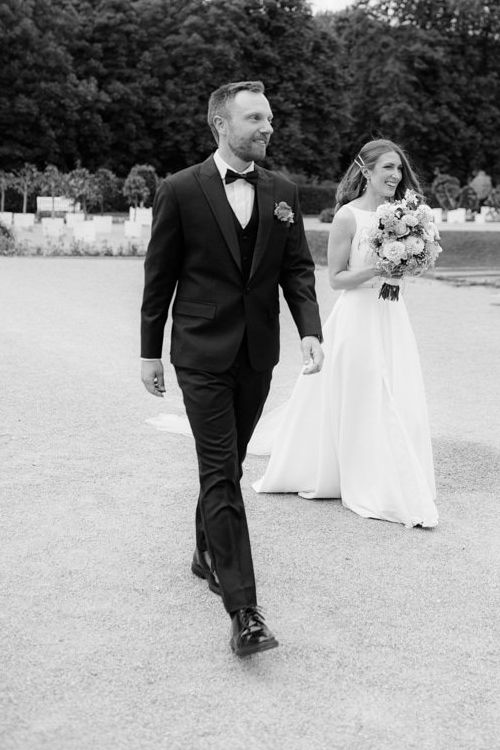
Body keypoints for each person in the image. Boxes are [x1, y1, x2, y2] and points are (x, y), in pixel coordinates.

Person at [140, 80, 324, 657]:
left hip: (257, 352)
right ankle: (244, 611)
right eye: (255, 119)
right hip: (199, 353)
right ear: (222, 125)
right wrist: (149, 351)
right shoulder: (180, 189)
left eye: (269, 118)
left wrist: (310, 329)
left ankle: (206, 553)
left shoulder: (282, 190)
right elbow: (159, 277)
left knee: (230, 463)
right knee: (221, 471)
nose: (268, 127)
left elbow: (296, 269)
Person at [250, 138, 438, 529]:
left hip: (392, 315)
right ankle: (356, 473)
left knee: (398, 390)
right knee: (365, 392)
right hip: (357, 318)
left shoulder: (405, 215)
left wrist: (410, 261)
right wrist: (378, 268)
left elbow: (408, 267)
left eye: (399, 168)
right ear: (366, 171)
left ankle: (394, 470)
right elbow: (336, 279)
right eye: (387, 167)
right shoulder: (348, 217)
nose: (395, 175)